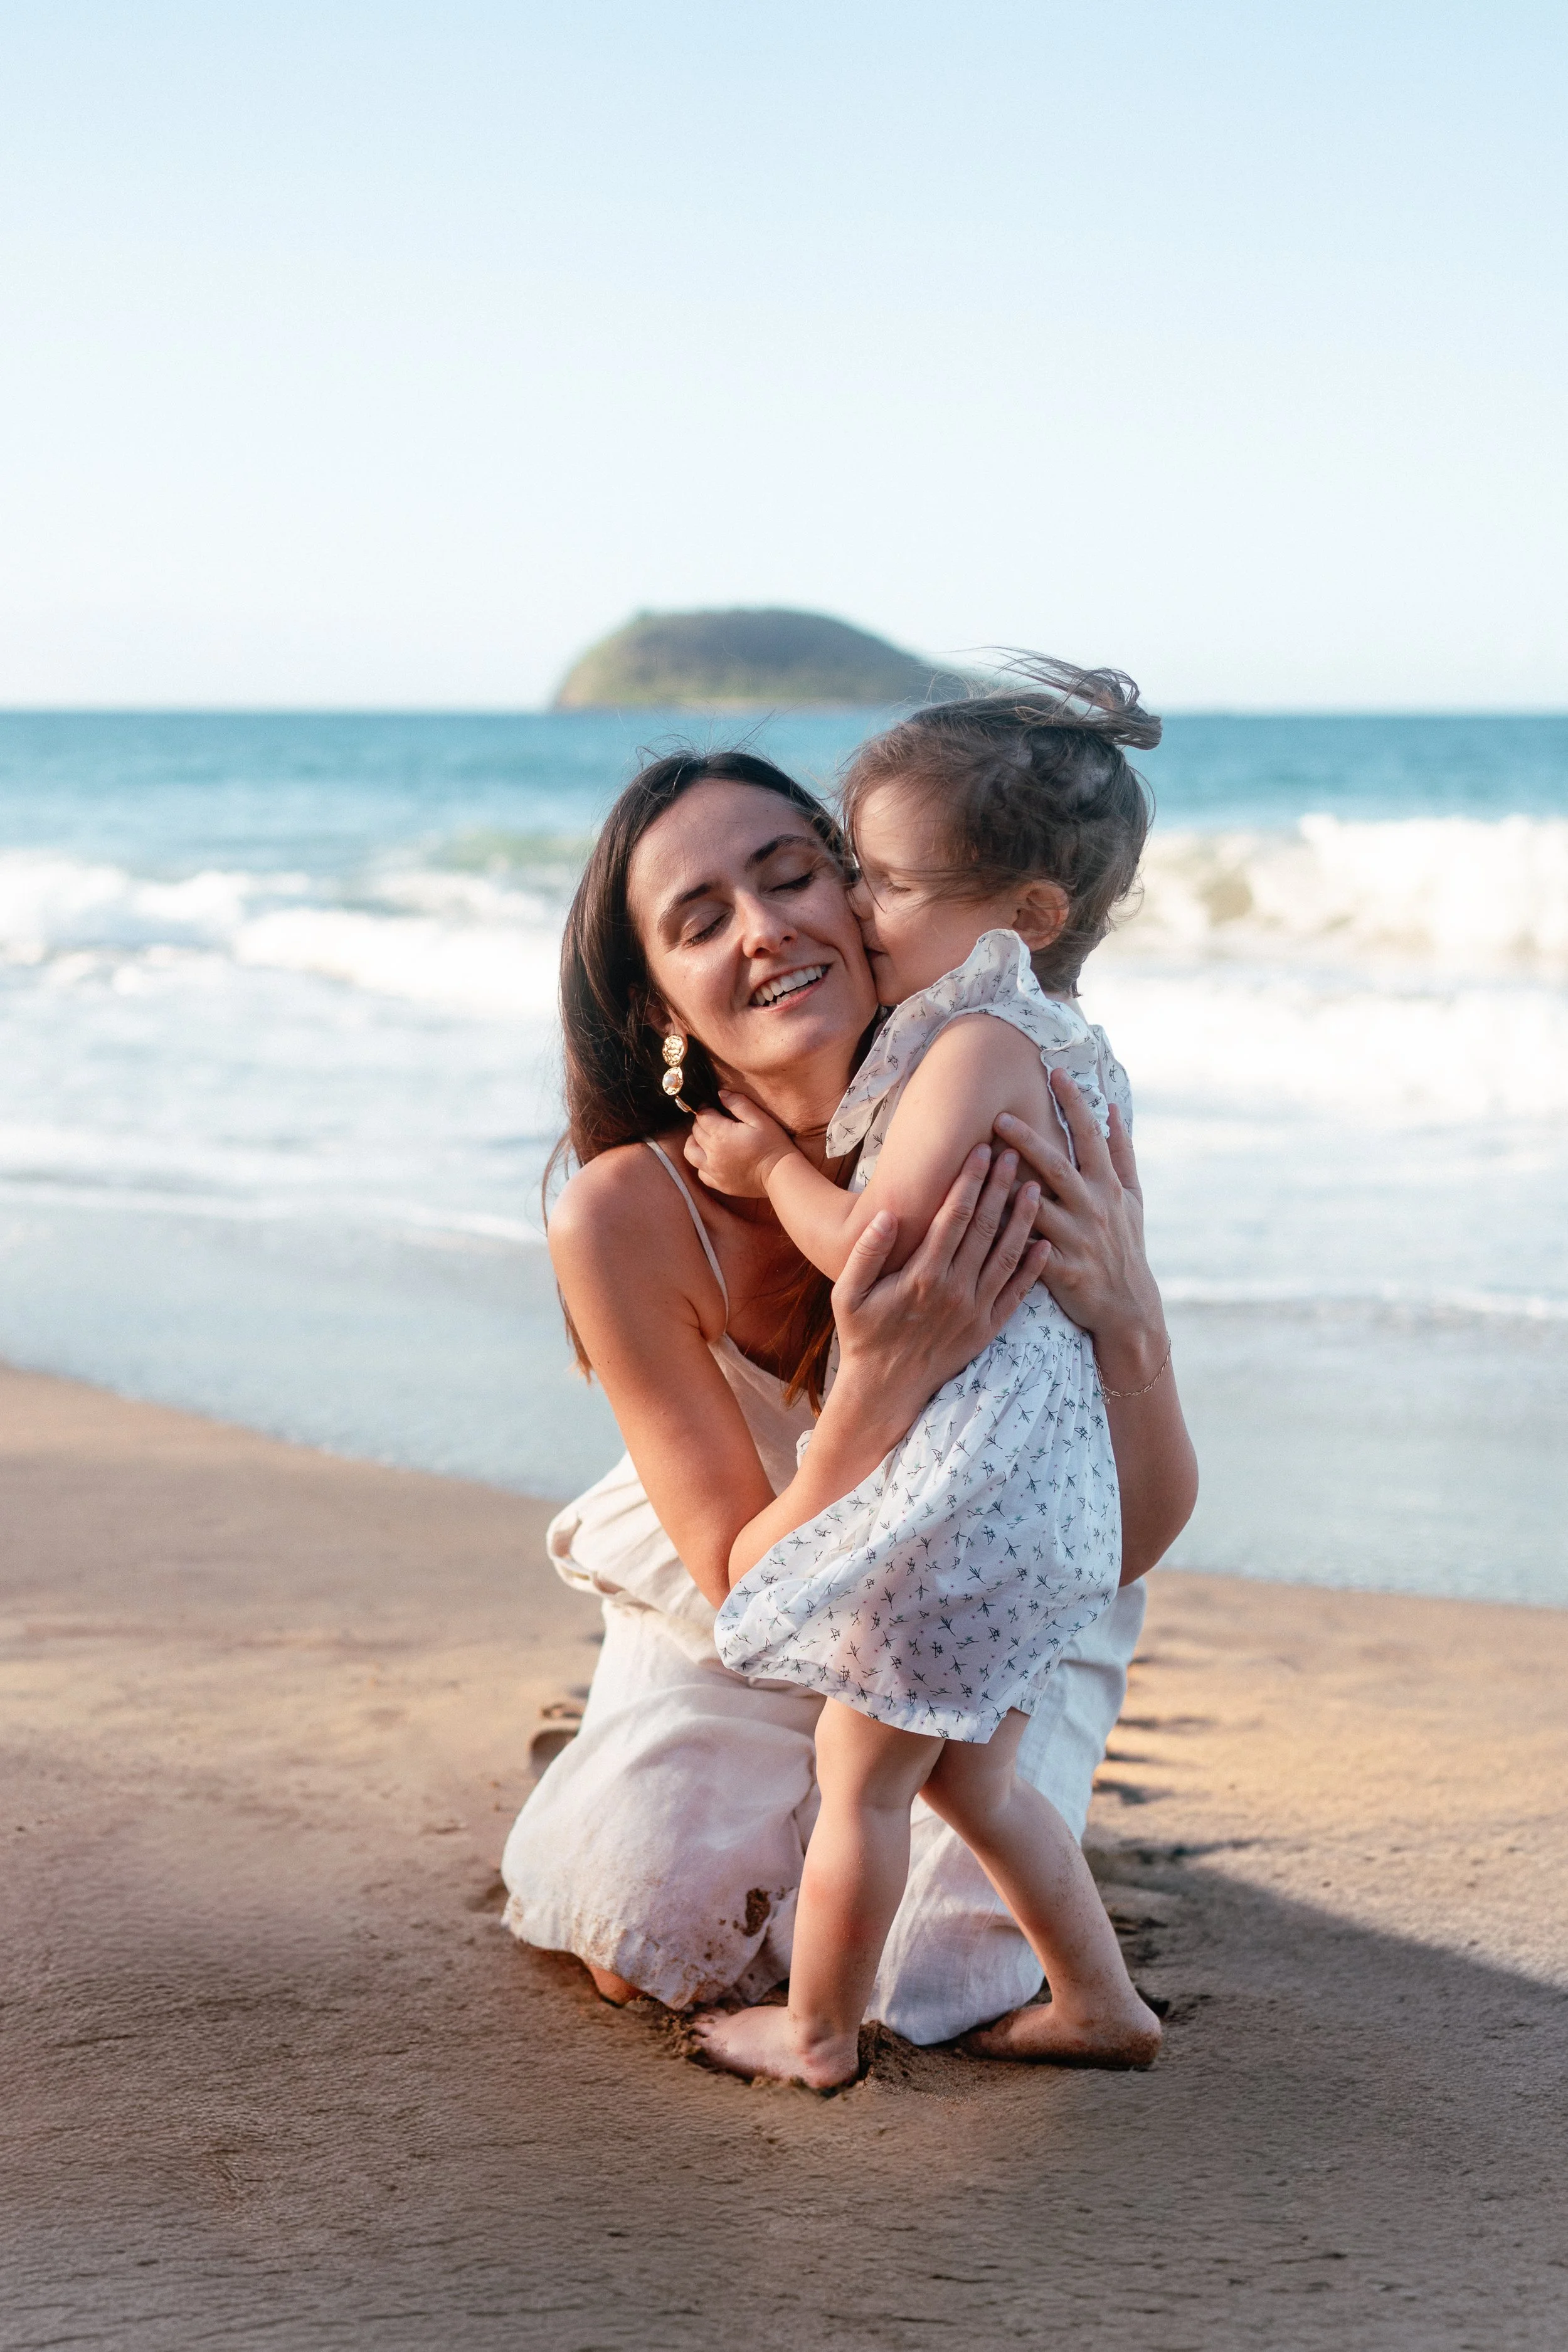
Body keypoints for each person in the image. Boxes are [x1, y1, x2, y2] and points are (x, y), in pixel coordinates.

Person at [500, 738, 1197, 2057]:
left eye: (791, 877)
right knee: (654, 1929)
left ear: (861, 896)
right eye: (700, 920)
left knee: (945, 1976)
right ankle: (613, 1726)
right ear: (657, 1004)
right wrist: (875, 1388)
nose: (763, 932)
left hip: (1001, 1585)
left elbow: (1136, 1535)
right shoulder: (624, 1214)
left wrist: (1125, 1314)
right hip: (754, 1588)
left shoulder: (1000, 1105)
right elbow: (733, 1578)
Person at [681, 660, 1167, 2085]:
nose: (856, 915)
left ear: (1023, 919)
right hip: (1046, 1506)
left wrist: (771, 1165)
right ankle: (1097, 2002)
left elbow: (876, 1263)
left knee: (860, 1778)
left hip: (969, 1506)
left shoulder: (970, 1044)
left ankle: (817, 2030)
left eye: (886, 888)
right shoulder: (1066, 1050)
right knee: (973, 1776)